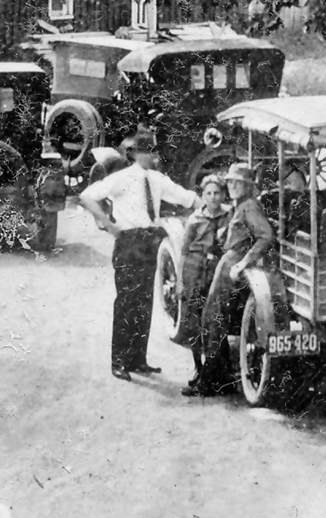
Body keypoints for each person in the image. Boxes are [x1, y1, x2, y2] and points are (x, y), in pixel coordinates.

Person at [79, 132, 196, 380]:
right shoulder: (120, 178)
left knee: (144, 302)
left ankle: (138, 360)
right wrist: (109, 226)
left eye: (153, 151)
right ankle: (119, 361)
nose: (151, 156)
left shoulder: (157, 179)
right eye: (146, 151)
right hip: (129, 241)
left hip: (149, 240)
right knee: (126, 302)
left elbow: (186, 197)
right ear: (134, 154)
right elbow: (87, 196)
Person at [187, 162, 276, 397]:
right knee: (211, 320)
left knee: (214, 321)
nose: (233, 186)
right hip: (226, 263)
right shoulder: (239, 206)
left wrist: (243, 262)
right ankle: (215, 378)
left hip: (232, 265)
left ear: (247, 186)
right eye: (231, 182)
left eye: (239, 183)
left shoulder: (248, 207)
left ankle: (211, 382)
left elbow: (265, 236)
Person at [171, 173, 231, 374]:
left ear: (223, 195)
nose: (213, 197)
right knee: (193, 322)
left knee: (215, 319)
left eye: (217, 193)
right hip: (194, 270)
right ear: (203, 196)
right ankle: (198, 367)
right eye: (209, 193)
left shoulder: (228, 216)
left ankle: (219, 370)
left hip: (216, 271)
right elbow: (184, 252)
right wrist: (180, 281)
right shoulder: (195, 219)